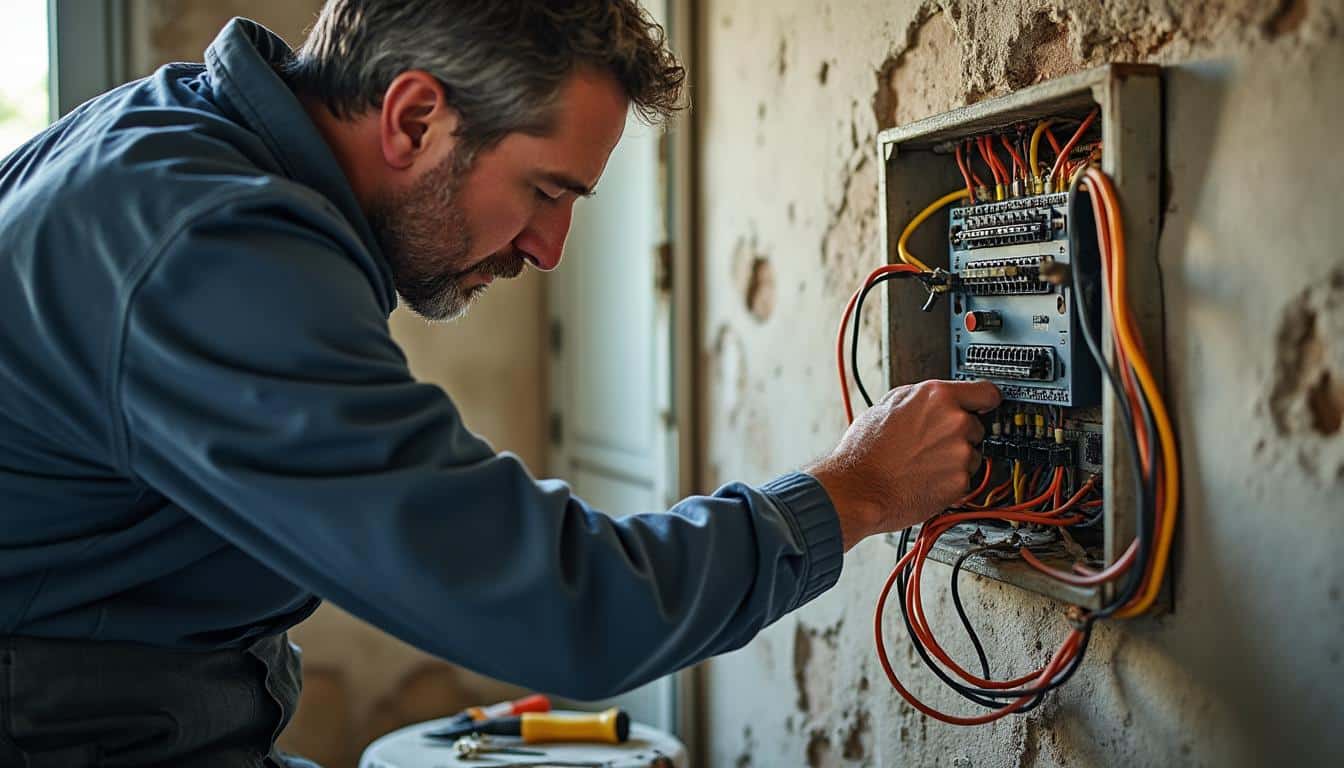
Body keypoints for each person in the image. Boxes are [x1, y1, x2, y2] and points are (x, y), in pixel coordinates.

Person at [0, 1, 999, 764]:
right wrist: (853, 491)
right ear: (417, 117)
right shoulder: (208, 251)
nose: (551, 247)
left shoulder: (169, 137)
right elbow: (564, 605)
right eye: (544, 191)